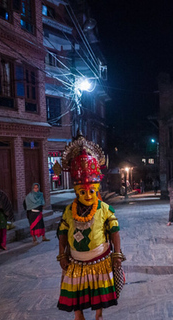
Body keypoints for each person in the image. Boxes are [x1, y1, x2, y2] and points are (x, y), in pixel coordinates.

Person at [57, 134, 123, 319]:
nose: (87, 195)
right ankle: (78, 314)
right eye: (82, 191)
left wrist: (117, 253)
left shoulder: (104, 209)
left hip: (99, 260)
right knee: (77, 292)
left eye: (91, 191)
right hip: (75, 262)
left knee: (98, 291)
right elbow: (62, 233)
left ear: (97, 189)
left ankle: (98, 314)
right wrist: (62, 254)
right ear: (76, 191)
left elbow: (115, 231)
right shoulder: (69, 210)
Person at [0, 183, 13, 251]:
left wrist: (8, 214)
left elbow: (7, 205)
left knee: (3, 230)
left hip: (2, 215)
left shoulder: (3, 195)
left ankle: (3, 244)